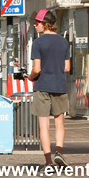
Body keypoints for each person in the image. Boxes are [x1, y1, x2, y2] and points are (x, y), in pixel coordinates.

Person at [27, 9, 71, 169]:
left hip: (42, 86)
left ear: (44, 24)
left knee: (43, 125)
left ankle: (48, 161)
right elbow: (67, 67)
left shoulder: (38, 43)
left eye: (37, 22)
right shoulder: (63, 42)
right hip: (59, 85)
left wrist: (30, 77)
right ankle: (59, 152)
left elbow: (36, 69)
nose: (35, 25)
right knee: (59, 123)